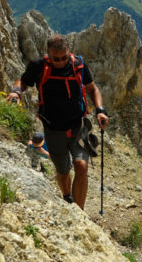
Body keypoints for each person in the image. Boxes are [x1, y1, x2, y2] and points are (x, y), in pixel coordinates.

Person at [8, 35, 109, 209]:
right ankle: (67, 196)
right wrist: (16, 92)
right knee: (63, 172)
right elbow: (23, 82)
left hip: (78, 127)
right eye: (56, 59)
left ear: (69, 53)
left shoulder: (79, 65)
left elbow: (92, 88)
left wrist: (100, 110)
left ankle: (79, 212)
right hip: (53, 131)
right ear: (48, 54)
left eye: (64, 58)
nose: (61, 62)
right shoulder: (39, 67)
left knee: (81, 166)